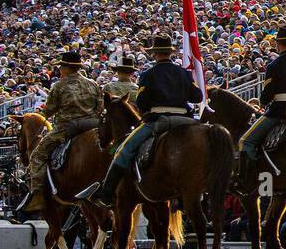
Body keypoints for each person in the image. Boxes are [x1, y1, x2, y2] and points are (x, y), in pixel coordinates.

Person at [81, 36, 204, 207]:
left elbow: (142, 103)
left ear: (154, 54)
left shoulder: (148, 74)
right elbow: (197, 96)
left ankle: (107, 194)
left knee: (124, 150)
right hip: (186, 121)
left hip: (159, 120)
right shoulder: (183, 73)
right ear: (170, 53)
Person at [17, 50, 103, 214]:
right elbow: (100, 108)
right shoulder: (93, 84)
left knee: (37, 155)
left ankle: (38, 195)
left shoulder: (59, 85)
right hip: (92, 125)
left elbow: (49, 110)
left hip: (67, 127)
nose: (59, 70)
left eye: (61, 67)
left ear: (66, 68)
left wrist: (43, 114)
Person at [235, 26, 286, 193]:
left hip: (280, 110)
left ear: (278, 44)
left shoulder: (274, 65)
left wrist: (265, 101)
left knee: (246, 142)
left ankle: (246, 182)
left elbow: (266, 97)